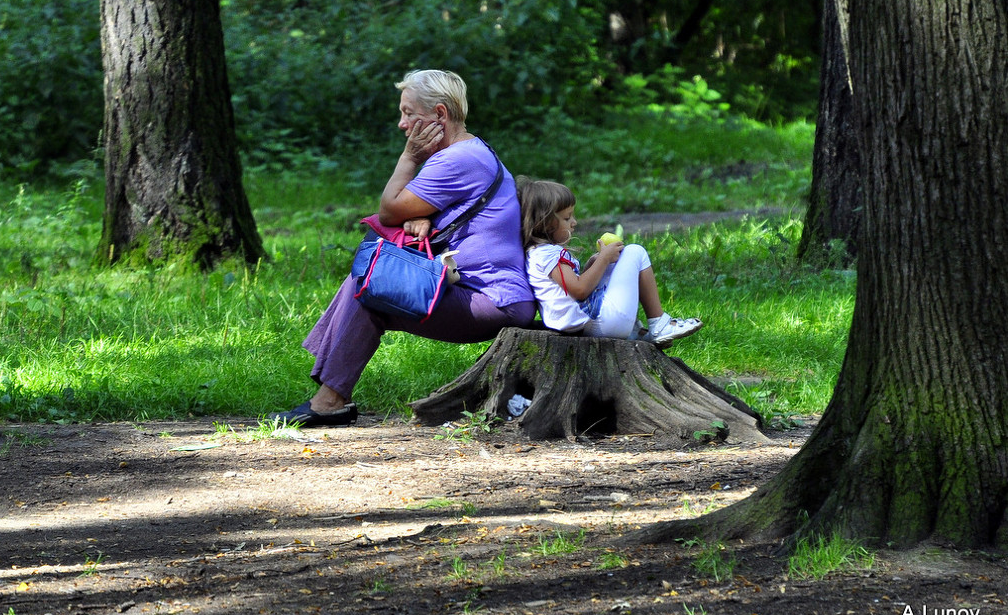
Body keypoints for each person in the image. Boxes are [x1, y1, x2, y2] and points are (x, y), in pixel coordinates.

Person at [271, 70, 536, 427]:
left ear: (440, 115)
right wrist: (423, 217)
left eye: (409, 113)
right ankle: (329, 396)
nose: (402, 124)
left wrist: (410, 158)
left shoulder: (455, 160)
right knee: (366, 283)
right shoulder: (474, 151)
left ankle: (329, 400)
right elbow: (417, 213)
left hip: (492, 300)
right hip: (487, 293)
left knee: (370, 289)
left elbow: (389, 209)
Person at [517, 177, 702, 346]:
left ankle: (635, 330)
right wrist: (603, 259)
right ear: (544, 223)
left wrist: (595, 264)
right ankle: (659, 323)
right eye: (567, 218)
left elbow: (570, 293)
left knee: (615, 263)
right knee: (635, 252)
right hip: (601, 324)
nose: (574, 222)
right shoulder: (547, 254)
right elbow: (580, 291)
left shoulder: (538, 254)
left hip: (588, 327)